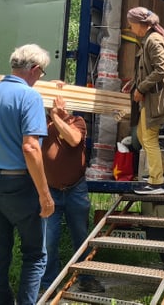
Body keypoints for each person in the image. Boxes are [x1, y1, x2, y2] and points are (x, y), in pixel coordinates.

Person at [0, 44, 55, 305]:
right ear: (34, 69)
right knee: (35, 255)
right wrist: (45, 194)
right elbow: (31, 147)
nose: (40, 79)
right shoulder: (29, 97)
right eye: (42, 74)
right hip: (18, 184)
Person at [40, 87, 105, 294]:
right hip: (51, 191)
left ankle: (86, 278)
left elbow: (74, 139)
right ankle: (48, 284)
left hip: (76, 189)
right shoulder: (42, 125)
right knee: (49, 241)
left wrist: (56, 116)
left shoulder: (77, 122)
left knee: (81, 237)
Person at [125, 6, 164, 195]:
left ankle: (156, 183)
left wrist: (141, 88)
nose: (131, 29)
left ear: (141, 24)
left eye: (132, 25)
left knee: (148, 137)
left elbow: (161, 70)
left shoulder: (154, 40)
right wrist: (133, 84)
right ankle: (160, 173)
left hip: (155, 100)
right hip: (150, 99)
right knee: (142, 135)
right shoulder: (149, 39)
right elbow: (147, 70)